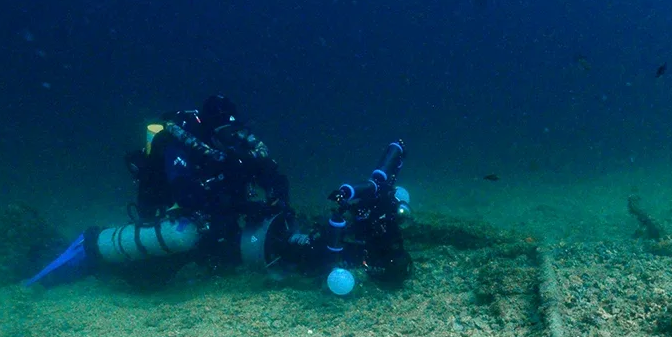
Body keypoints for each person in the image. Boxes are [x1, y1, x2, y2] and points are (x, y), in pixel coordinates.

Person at [27, 96, 411, 295]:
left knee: (226, 250)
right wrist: (247, 205)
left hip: (221, 217)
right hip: (179, 216)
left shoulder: (236, 148)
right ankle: (89, 249)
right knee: (158, 271)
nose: (232, 142)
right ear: (209, 132)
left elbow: (272, 173)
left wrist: (278, 200)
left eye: (235, 134)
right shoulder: (180, 148)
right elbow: (189, 195)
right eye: (224, 136)